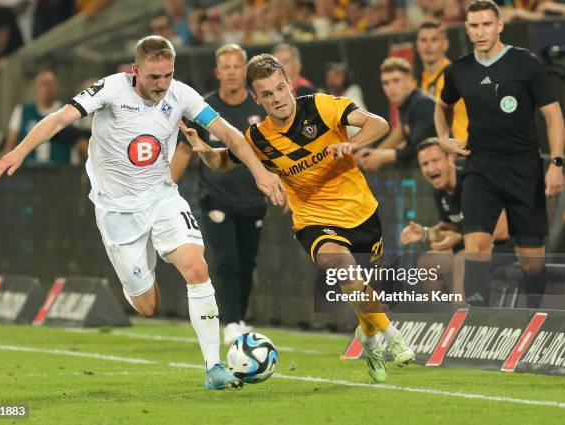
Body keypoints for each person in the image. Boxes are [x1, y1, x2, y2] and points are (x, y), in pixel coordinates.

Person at [0, 35, 283, 390]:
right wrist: (18, 152)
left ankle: (214, 366)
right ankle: (138, 278)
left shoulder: (182, 95)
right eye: (153, 77)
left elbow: (231, 135)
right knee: (147, 307)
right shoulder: (111, 89)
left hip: (161, 197)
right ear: (135, 70)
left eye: (167, 75)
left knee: (197, 267)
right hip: (116, 212)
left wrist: (260, 172)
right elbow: (60, 118)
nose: (161, 84)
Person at [178, 54, 415, 384]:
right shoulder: (258, 139)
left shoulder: (320, 106)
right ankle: (394, 337)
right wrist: (205, 151)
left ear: (289, 84)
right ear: (256, 99)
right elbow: (224, 162)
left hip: (361, 212)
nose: (277, 99)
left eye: (280, 89)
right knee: (342, 267)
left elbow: (380, 124)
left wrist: (351, 143)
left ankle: (369, 337)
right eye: (268, 94)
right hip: (312, 219)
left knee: (362, 292)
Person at [435, 0, 564, 307]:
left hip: (524, 168)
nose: (480, 32)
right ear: (466, 28)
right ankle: (476, 324)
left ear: (500, 26)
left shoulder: (525, 63)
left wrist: (557, 162)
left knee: (532, 262)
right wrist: (444, 139)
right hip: (480, 168)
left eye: (487, 24)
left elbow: (553, 116)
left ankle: (534, 319)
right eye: (474, 26)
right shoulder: (459, 70)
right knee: (476, 247)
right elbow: (442, 106)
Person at [170, 44, 266, 344]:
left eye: (237, 66)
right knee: (225, 261)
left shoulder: (260, 108)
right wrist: (164, 191)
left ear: (245, 71)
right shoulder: (203, 108)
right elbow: (185, 150)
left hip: (252, 198)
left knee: (247, 263)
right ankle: (232, 321)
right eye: (226, 67)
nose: (232, 72)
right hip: (216, 198)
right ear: (217, 72)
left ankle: (240, 317)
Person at [401, 138, 509, 300]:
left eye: (435, 160)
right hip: (467, 246)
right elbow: (451, 231)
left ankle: (463, 317)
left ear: (450, 159)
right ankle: (444, 317)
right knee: (427, 263)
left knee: (461, 259)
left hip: (500, 248)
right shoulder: (440, 192)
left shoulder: (473, 183)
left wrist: (458, 239)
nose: (430, 169)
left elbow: (502, 232)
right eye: (425, 164)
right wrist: (425, 233)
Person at [356, 57, 436, 171]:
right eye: (386, 83)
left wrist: (382, 157)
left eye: (396, 80)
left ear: (410, 81)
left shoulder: (422, 104)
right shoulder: (407, 104)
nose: (391, 87)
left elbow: (420, 147)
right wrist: (372, 154)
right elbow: (400, 132)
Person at [1, 69, 84, 164]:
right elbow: (10, 145)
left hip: (61, 172)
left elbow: (81, 146)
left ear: (57, 87)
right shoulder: (22, 111)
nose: (46, 88)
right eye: (42, 84)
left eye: (49, 84)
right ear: (36, 88)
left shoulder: (69, 111)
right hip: (29, 172)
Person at [415, 20, 468, 142]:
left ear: (445, 44)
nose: (428, 46)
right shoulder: (421, 79)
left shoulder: (453, 74)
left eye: (434, 40)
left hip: (460, 148)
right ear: (417, 46)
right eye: (423, 40)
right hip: (440, 150)